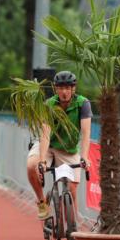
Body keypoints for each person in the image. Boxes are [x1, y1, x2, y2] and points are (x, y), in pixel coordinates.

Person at [26, 70, 92, 219]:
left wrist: (84, 157)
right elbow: (45, 133)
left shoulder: (83, 104)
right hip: (48, 146)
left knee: (72, 189)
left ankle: (73, 228)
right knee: (31, 166)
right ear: (56, 89)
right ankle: (42, 202)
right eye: (61, 88)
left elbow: (86, 133)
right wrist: (42, 160)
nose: (64, 92)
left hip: (68, 149)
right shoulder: (49, 104)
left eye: (67, 88)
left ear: (73, 88)